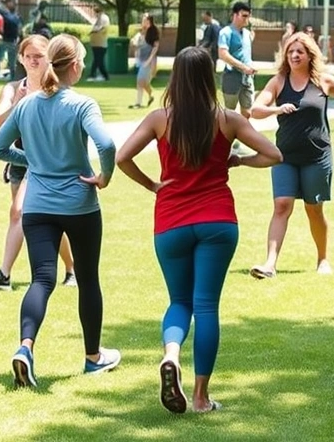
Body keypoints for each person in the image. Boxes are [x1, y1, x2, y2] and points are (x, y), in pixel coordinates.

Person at [115, 46, 282, 413]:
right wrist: (237, 159)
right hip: (218, 221)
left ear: (175, 78)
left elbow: (121, 157)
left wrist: (152, 185)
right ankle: (202, 397)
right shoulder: (227, 119)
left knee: (180, 301)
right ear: (209, 78)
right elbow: (274, 155)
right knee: (206, 306)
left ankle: (171, 356)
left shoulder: (160, 118)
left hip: (171, 220)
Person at [0, 34, 120, 388]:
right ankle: (94, 358)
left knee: (41, 280)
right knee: (88, 279)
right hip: (80, 204)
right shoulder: (82, 104)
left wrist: (31, 159)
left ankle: (25, 348)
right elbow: (106, 144)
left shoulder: (27, 105)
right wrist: (103, 176)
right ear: (75, 65)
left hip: (38, 208)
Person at [247, 32, 334, 279]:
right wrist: (277, 108)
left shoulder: (322, 81)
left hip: (317, 157)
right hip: (285, 157)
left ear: (309, 55)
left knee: (314, 209)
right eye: (290, 51)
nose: (294, 55)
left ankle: (323, 259)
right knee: (282, 206)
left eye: (299, 51)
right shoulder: (279, 82)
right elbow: (255, 110)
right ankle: (269, 263)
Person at [0, 35, 77, 291]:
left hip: (48, 161)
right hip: (21, 160)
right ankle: (70, 268)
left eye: (39, 55)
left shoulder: (56, 89)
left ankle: (5, 274)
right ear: (20, 59)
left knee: (21, 212)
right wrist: (18, 104)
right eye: (28, 55)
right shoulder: (13, 88)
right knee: (23, 214)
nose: (33, 60)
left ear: (49, 58)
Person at [218, 2, 257, 118]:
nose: (247, 19)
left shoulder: (247, 34)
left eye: (248, 16)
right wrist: (243, 67)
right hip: (231, 76)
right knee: (230, 114)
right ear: (235, 15)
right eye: (244, 16)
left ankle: (242, 135)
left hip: (247, 79)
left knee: (247, 113)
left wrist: (250, 67)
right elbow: (223, 54)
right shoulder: (226, 32)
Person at [129, 13, 160, 109]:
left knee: (140, 80)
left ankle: (138, 103)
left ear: (150, 22)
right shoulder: (140, 33)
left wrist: (150, 60)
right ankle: (151, 96)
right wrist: (133, 43)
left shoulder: (154, 33)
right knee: (143, 83)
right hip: (140, 60)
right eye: (143, 21)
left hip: (148, 61)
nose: (144, 23)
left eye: (146, 21)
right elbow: (135, 43)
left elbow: (155, 48)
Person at [0, 1, 22, 79]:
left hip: (4, 40)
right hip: (13, 41)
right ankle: (13, 76)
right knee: (12, 61)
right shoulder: (17, 17)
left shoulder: (4, 15)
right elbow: (19, 29)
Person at [88, 5, 111, 81]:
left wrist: (93, 31)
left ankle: (105, 75)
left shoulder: (104, 18)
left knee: (99, 61)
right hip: (96, 43)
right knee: (96, 60)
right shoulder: (99, 18)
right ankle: (92, 75)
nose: (95, 14)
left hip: (101, 43)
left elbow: (101, 28)